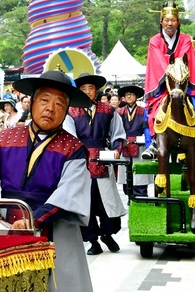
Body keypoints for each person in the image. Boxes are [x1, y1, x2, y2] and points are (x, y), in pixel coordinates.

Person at [0, 70, 93, 292]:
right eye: (44, 100)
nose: (50, 108)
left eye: (59, 104)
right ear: (32, 102)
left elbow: (69, 195)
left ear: (66, 111)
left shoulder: (73, 149)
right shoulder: (3, 140)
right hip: (8, 227)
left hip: (57, 231)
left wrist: (33, 219)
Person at [142, 1, 195, 161]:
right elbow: (159, 62)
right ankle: (153, 143)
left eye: (173, 20)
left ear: (178, 22)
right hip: (163, 85)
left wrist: (178, 78)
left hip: (184, 83)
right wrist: (171, 74)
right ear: (161, 21)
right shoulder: (154, 41)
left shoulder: (186, 39)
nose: (169, 23)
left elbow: (182, 60)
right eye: (166, 20)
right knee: (150, 110)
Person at [66, 72, 126, 255]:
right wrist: (77, 155)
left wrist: (117, 149)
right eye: (83, 88)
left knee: (107, 202)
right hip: (81, 164)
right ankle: (93, 241)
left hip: (103, 160)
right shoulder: (71, 111)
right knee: (86, 204)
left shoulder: (108, 110)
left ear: (96, 90)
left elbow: (118, 133)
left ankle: (108, 234)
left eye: (90, 88)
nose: (87, 92)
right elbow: (69, 137)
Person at [116, 85, 151, 197]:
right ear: (124, 97)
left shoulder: (143, 111)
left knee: (140, 176)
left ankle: (141, 198)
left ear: (136, 96)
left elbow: (147, 128)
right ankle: (129, 197)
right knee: (126, 177)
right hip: (124, 145)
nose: (129, 96)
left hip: (139, 145)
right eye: (127, 94)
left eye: (132, 94)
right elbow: (116, 129)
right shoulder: (119, 112)